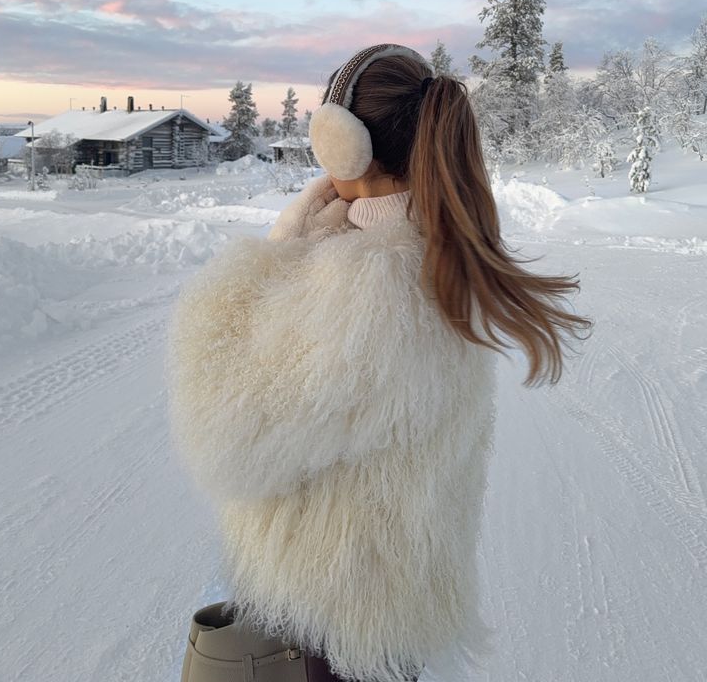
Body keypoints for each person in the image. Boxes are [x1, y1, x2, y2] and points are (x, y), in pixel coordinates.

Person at [166, 44, 593, 682]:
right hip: (382, 611)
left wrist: (280, 250)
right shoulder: (432, 250)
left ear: (343, 144)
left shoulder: (373, 289)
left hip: (325, 629)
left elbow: (220, 439)